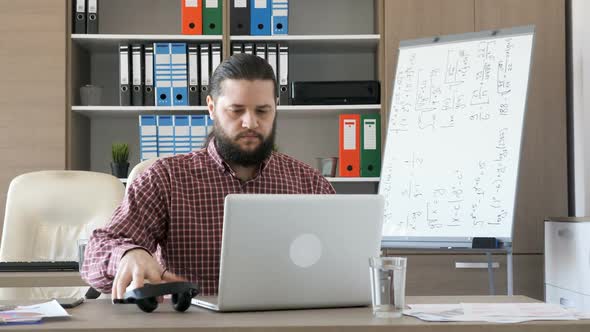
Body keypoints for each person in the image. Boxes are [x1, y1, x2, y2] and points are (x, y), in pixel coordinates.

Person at [80, 54, 336, 299]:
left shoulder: (309, 184)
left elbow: (346, 260)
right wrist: (128, 254)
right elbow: (95, 255)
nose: (250, 123)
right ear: (212, 108)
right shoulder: (165, 179)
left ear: (276, 109)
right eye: (236, 110)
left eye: (262, 111)